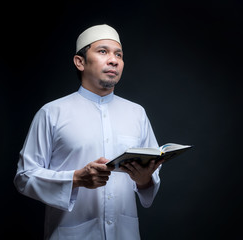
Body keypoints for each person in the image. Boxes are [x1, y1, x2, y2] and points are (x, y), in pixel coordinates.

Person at [14, 24, 163, 240]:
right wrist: (76, 178)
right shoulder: (52, 113)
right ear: (80, 61)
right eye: (103, 51)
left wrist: (144, 179)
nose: (114, 60)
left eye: (118, 54)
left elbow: (149, 179)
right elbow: (24, 177)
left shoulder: (136, 113)